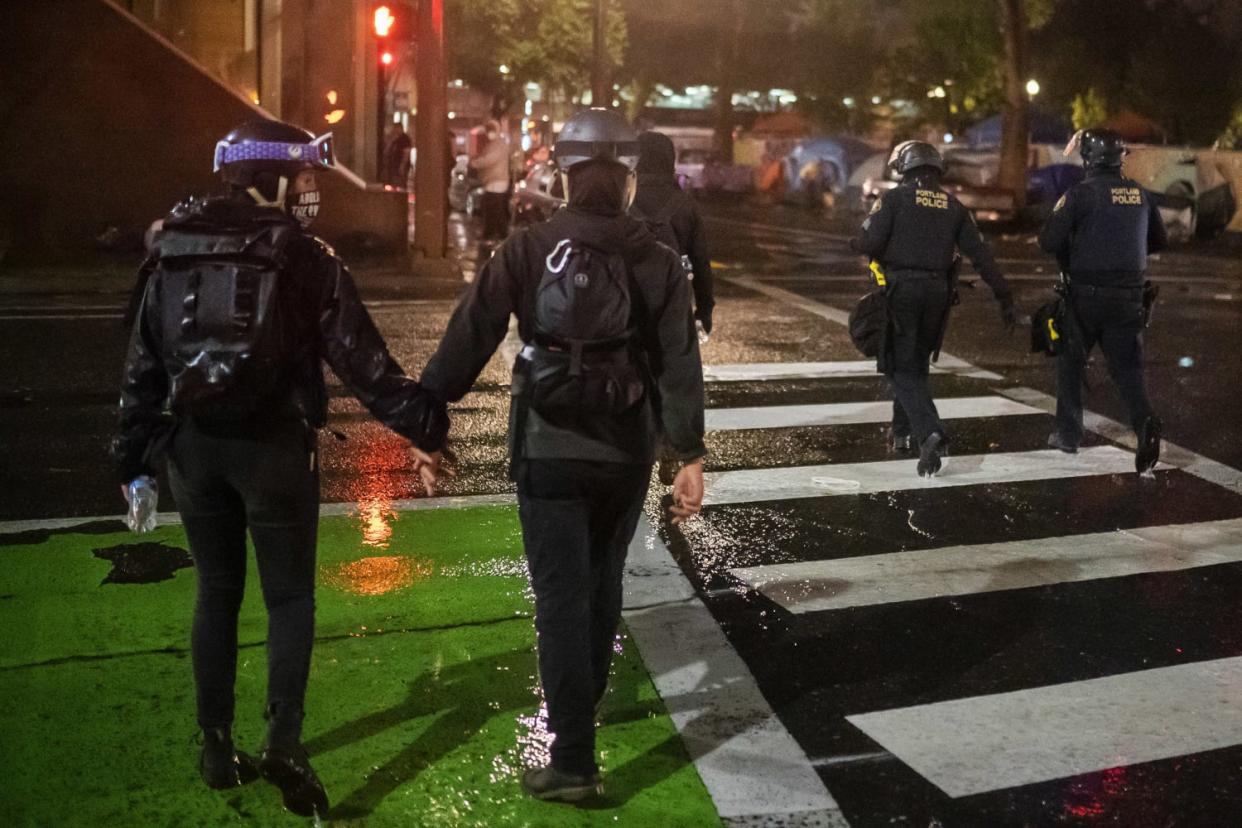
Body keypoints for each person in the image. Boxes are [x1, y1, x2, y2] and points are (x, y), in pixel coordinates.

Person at [112, 118, 449, 817]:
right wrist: (426, 427)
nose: (311, 190)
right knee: (289, 598)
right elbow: (365, 364)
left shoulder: (169, 247)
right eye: (304, 177)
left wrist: (132, 459)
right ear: (273, 178)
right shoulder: (304, 255)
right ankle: (284, 743)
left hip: (191, 450)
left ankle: (214, 745)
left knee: (215, 591)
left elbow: (142, 362)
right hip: (272, 449)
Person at [413, 108, 706, 802]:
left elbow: (470, 334)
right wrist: (687, 453)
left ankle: (573, 757)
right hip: (624, 450)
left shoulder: (526, 247)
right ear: (628, 176)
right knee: (603, 583)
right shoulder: (657, 259)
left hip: (546, 446)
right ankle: (585, 703)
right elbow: (678, 364)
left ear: (567, 173)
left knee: (559, 598)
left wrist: (429, 421)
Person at [852, 140, 1015, 477]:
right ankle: (902, 433)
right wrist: (1005, 297)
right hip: (938, 294)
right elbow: (982, 257)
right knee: (915, 363)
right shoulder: (955, 207)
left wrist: (857, 241)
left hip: (901, 291)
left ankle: (930, 431)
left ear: (904, 168)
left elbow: (868, 242)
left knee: (899, 367)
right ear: (936, 169)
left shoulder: (894, 199)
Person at [1039, 128, 1167, 473]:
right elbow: (1159, 240)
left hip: (1085, 296)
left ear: (1088, 159)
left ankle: (1068, 433)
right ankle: (1144, 424)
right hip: (1128, 298)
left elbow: (1049, 241)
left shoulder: (1080, 194)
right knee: (1128, 370)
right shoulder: (1139, 194)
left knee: (1070, 362)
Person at [630, 130, 716, 337]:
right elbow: (700, 261)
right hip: (673, 298)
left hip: (629, 298)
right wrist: (704, 309)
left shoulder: (624, 199)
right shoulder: (684, 204)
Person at [471, 120, 512, 244]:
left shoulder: (498, 145)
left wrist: (475, 163)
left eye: (491, 131)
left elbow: (489, 159)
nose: (489, 133)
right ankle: (497, 235)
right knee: (494, 210)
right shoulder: (497, 143)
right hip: (494, 181)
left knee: (492, 211)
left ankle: (492, 235)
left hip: (496, 182)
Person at [382, 122, 412, 187]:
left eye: (396, 128)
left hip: (400, 165)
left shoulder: (405, 138)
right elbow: (387, 150)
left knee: (400, 183)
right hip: (393, 166)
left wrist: (402, 166)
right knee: (393, 183)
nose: (394, 130)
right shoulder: (394, 138)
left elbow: (406, 153)